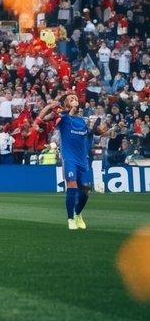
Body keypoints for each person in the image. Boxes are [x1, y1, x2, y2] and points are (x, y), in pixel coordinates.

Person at [36, 93, 107, 230]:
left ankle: (78, 214)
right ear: (66, 105)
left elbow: (96, 132)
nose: (75, 100)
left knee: (86, 190)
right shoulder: (63, 118)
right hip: (69, 159)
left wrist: (103, 129)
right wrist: (50, 106)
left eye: (75, 98)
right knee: (72, 185)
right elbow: (42, 118)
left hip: (83, 160)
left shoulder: (83, 120)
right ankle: (70, 219)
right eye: (71, 99)